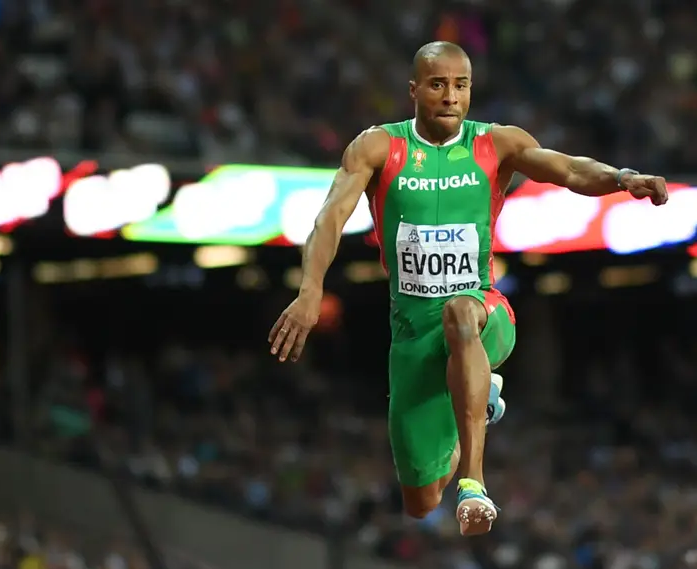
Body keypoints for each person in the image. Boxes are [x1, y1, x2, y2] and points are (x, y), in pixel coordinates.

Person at [267, 41, 668, 536]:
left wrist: (624, 177)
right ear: (414, 90)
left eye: (461, 86)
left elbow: (567, 169)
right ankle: (483, 401)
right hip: (413, 334)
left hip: (484, 312)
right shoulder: (377, 147)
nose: (451, 97)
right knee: (419, 501)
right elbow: (330, 218)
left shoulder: (496, 144)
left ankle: (474, 485)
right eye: (438, 85)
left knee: (460, 312)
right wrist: (310, 291)